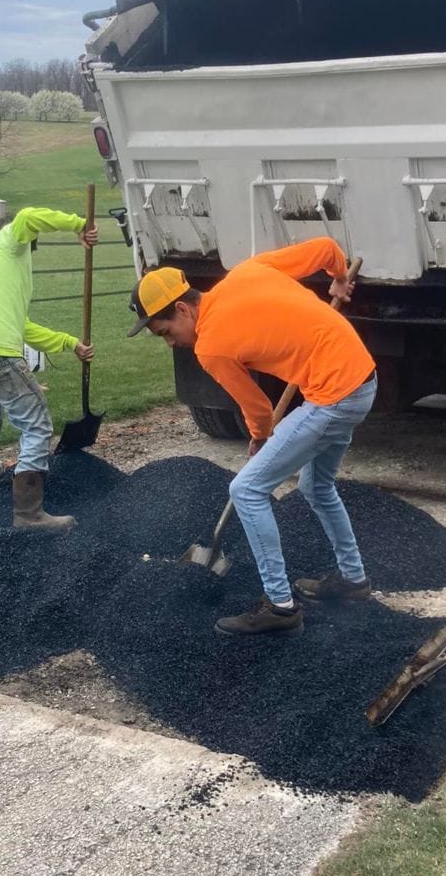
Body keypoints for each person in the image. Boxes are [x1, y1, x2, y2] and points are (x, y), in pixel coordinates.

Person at [128, 236, 377, 635]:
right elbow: (328, 248)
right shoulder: (248, 272)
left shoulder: (211, 346)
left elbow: (259, 410)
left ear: (182, 309)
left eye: (165, 332)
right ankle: (352, 580)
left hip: (335, 396)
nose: (170, 342)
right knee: (316, 484)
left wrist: (260, 439)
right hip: (363, 378)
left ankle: (280, 607)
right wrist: (337, 280)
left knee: (247, 489)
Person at [0, 204, 97, 532]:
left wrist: (70, 343)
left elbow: (23, 326)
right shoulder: (10, 241)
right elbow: (28, 216)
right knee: (37, 423)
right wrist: (79, 223)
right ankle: (29, 515)